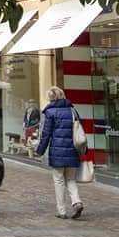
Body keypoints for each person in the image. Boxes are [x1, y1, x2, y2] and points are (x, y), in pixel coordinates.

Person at [35, 85, 84, 219]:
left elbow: (46, 134)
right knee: (71, 179)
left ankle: (61, 211)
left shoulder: (50, 113)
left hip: (57, 151)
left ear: (51, 98)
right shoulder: (72, 110)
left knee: (58, 180)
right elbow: (80, 130)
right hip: (73, 150)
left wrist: (40, 150)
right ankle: (76, 201)